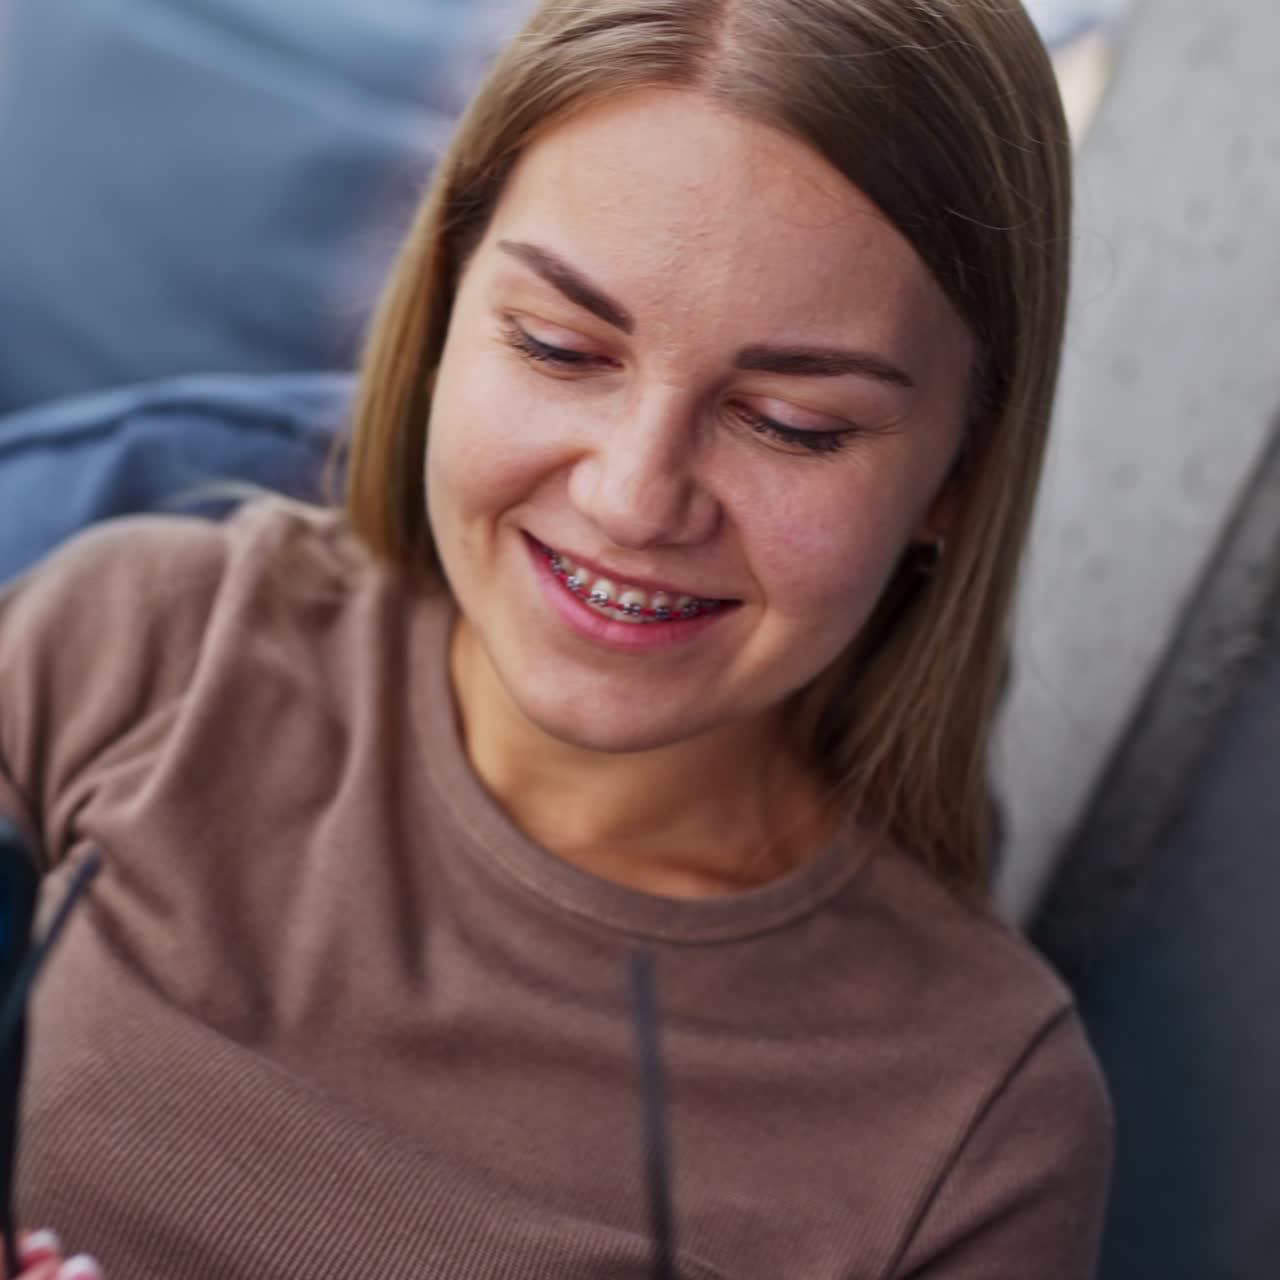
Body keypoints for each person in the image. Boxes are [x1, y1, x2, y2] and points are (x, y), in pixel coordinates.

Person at [0, 0, 1113, 1276]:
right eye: (559, 347)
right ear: (442, 303)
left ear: (956, 476)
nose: (633, 497)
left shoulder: (975, 1133)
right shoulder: (122, 649)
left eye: (792, 422)